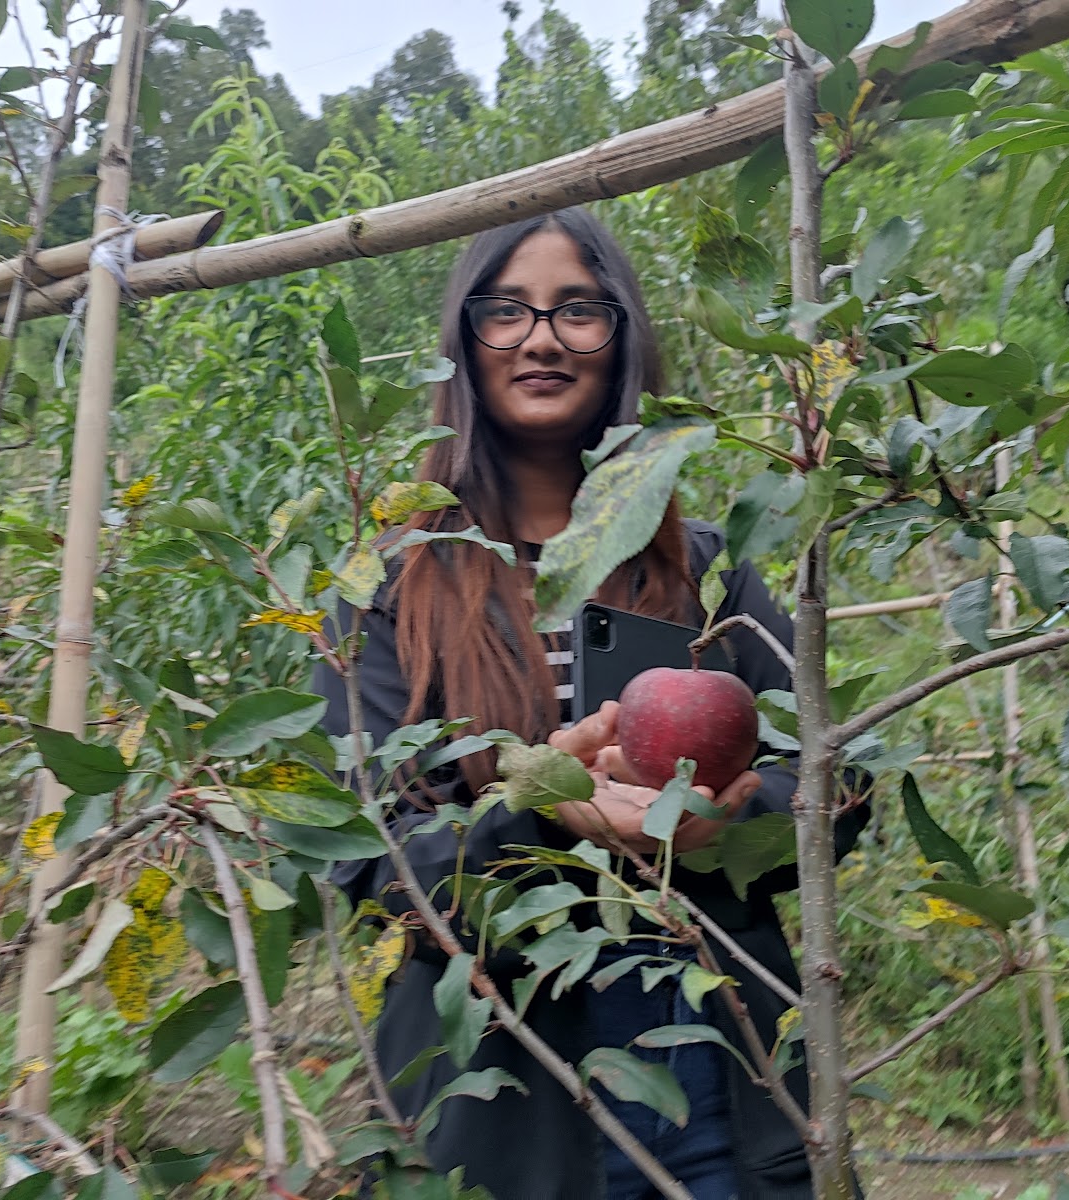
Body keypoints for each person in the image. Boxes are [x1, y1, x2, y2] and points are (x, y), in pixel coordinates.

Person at [314, 207, 872, 1199]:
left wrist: (731, 819)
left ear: (621, 341)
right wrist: (535, 807)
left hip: (714, 1064)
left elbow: (834, 783)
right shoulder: (387, 591)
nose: (540, 335)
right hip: (497, 1090)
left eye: (577, 309)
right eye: (507, 311)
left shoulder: (707, 571)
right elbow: (360, 857)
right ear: (464, 345)